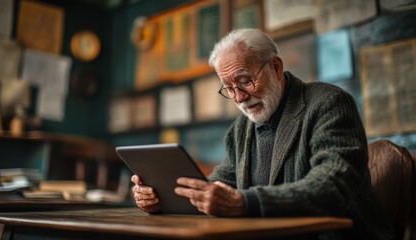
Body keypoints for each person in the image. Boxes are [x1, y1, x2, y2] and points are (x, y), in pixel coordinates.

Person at [131, 28, 394, 239]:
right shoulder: (240, 129)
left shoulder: (329, 103)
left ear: (276, 68)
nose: (240, 97)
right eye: (229, 88)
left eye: (245, 81)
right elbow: (221, 185)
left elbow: (331, 187)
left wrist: (246, 203)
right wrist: (161, 198)